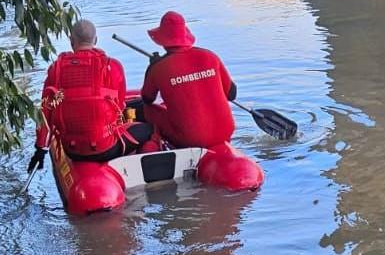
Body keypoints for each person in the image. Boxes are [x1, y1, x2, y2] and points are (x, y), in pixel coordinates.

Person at [27, 19, 154, 173]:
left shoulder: (56, 70)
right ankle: (139, 167)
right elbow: (120, 108)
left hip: (72, 150)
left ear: (71, 41)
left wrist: (40, 149)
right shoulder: (112, 66)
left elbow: (45, 113)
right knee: (149, 129)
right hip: (106, 147)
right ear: (96, 40)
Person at [140, 11, 238, 148]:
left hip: (190, 139)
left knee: (147, 108)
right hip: (226, 131)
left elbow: (147, 98)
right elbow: (231, 94)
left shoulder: (158, 67)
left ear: (162, 40)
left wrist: (152, 67)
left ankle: (158, 143)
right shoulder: (210, 56)